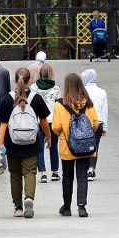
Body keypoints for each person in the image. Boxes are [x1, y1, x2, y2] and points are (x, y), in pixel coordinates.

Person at [0, 67, 52, 218]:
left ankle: (18, 207)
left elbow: (3, 124)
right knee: (30, 172)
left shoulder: (7, 98)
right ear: (30, 80)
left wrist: (0, 145)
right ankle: (29, 197)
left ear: (15, 81)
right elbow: (43, 121)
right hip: (31, 143)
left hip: (11, 143)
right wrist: (48, 136)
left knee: (15, 174)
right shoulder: (36, 98)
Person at [52, 73, 99, 218]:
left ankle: (66, 207)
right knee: (82, 175)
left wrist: (66, 133)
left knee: (67, 176)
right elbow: (95, 124)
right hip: (85, 147)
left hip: (67, 146)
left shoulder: (60, 104)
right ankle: (82, 206)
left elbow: (56, 127)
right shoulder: (88, 103)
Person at [29, 64, 61, 183]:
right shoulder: (56, 88)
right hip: (52, 120)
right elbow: (59, 106)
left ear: (40, 73)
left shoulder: (33, 87)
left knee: (40, 149)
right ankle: (54, 172)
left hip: (38, 121)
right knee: (53, 147)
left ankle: (43, 173)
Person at [80, 69, 108, 182]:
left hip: (84, 123)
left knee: (83, 146)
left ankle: (83, 168)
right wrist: (105, 127)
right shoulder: (102, 92)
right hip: (99, 123)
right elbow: (104, 110)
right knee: (94, 146)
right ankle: (91, 169)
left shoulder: (82, 91)